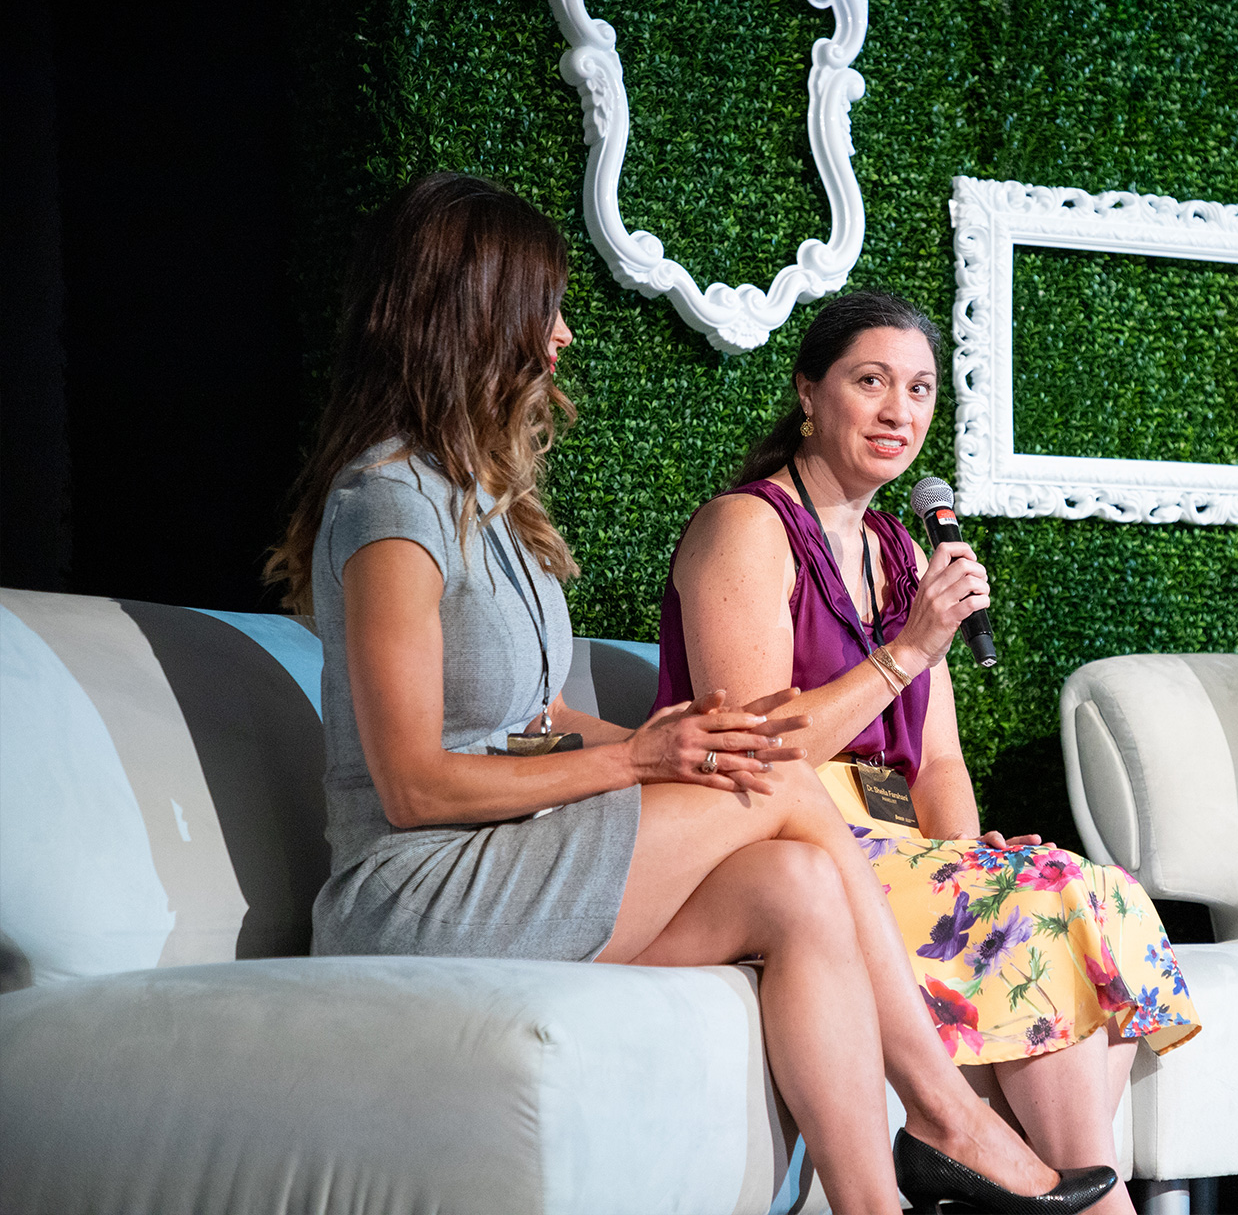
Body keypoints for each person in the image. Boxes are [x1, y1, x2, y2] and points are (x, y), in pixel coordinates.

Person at [266, 175, 1114, 1215]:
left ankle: (875, 1202)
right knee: (786, 787)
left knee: (797, 885)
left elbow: (523, 718)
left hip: (507, 859)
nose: (566, 335)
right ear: (473, 314)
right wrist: (639, 763)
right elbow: (411, 785)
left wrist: (666, 738)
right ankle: (949, 1118)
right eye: (548, 307)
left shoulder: (487, 502)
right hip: (416, 889)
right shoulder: (388, 500)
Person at [655, 290, 1199, 1215]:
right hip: (781, 841)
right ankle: (1086, 1203)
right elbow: (758, 756)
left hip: (897, 846)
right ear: (808, 393)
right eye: (871, 382)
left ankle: (1055, 1186)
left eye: (919, 389)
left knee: (1083, 885)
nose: (898, 412)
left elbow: (937, 764)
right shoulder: (744, 526)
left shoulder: (903, 550)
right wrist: (905, 648)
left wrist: (963, 859)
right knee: (1041, 902)